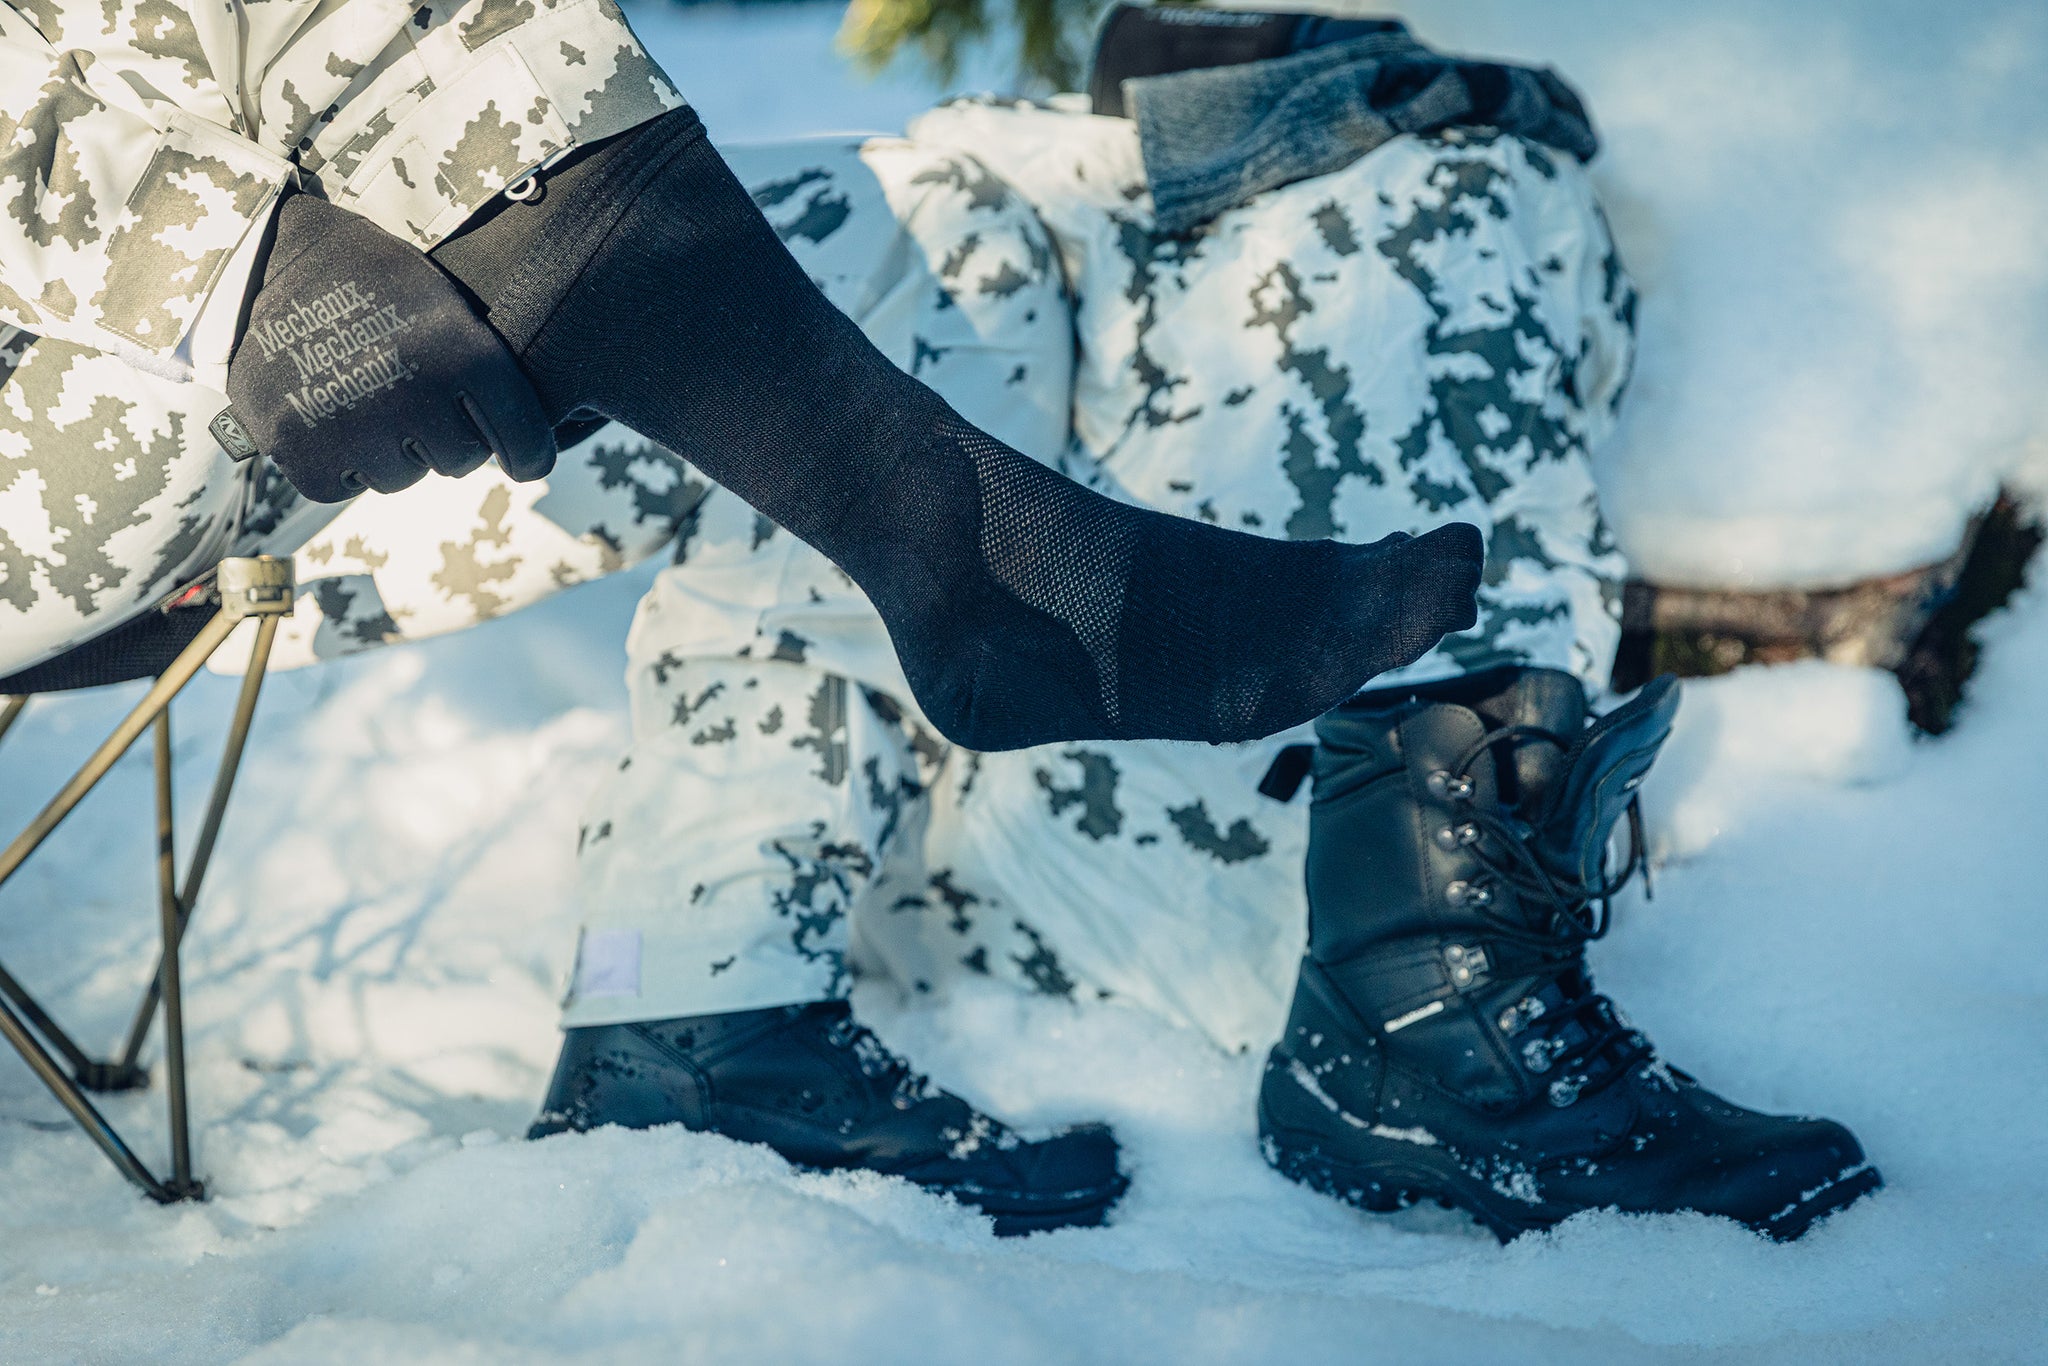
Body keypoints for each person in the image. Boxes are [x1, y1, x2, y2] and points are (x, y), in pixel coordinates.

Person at [0, 0, 1876, 1241]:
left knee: (897, 237)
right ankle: (1010, 576)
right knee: (824, 289)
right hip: (93, 396)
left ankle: (702, 1016)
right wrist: (208, 256)